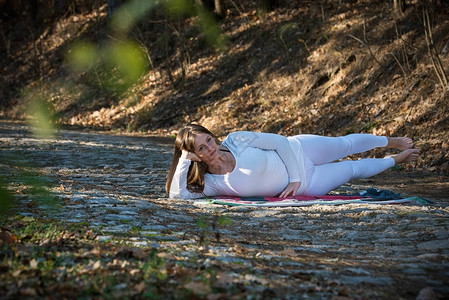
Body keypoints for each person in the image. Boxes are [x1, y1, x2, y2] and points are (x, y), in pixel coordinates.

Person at [166, 124, 419, 199]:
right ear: (194, 155)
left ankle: (390, 141)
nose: (209, 148)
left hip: (300, 151)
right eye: (200, 148)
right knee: (352, 169)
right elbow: (177, 196)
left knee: (345, 145)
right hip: (309, 184)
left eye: (208, 140)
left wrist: (295, 176)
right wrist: (184, 162)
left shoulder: (236, 139)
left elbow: (280, 142)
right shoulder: (212, 183)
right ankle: (396, 160)